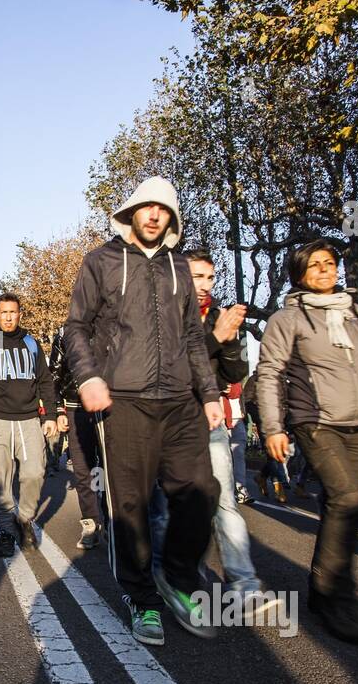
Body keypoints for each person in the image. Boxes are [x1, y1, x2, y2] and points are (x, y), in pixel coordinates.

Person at [65, 176, 222, 644]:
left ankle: (178, 579)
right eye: (147, 207)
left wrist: (210, 392)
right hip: (125, 400)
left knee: (201, 489)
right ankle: (141, 599)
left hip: (180, 401)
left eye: (164, 209)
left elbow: (194, 336)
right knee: (129, 505)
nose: (155, 215)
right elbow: (75, 327)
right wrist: (90, 376)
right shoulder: (101, 261)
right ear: (132, 211)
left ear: (171, 218)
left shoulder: (179, 266)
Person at [252, 239, 358, 645]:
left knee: (344, 506)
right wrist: (272, 428)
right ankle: (336, 595)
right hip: (316, 421)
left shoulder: (352, 311)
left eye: (329, 263)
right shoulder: (287, 319)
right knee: (349, 500)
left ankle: (324, 588)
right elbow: (269, 373)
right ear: (299, 274)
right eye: (314, 265)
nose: (325, 270)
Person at [162, 248, 278, 615]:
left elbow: (234, 374)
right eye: (197, 276)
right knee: (170, 506)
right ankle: (183, 579)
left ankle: (243, 582)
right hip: (165, 421)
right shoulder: (162, 313)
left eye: (210, 277)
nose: (204, 284)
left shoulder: (220, 316)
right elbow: (168, 369)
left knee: (223, 499)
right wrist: (213, 338)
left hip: (209, 421)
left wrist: (226, 338)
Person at [0, 294, 61, 556]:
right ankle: (6, 531)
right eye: (3, 312)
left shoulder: (31, 344)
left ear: (20, 314)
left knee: (34, 474)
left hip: (29, 420)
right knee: (1, 481)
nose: (8, 317)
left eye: (13, 312)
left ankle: (25, 518)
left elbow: (45, 382)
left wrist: (50, 415)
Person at [49, 325, 104, 548]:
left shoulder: (115, 321)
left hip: (109, 406)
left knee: (109, 468)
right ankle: (91, 522)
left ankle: (110, 518)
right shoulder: (64, 333)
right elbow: (54, 373)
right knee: (83, 469)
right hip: (75, 408)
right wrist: (58, 411)